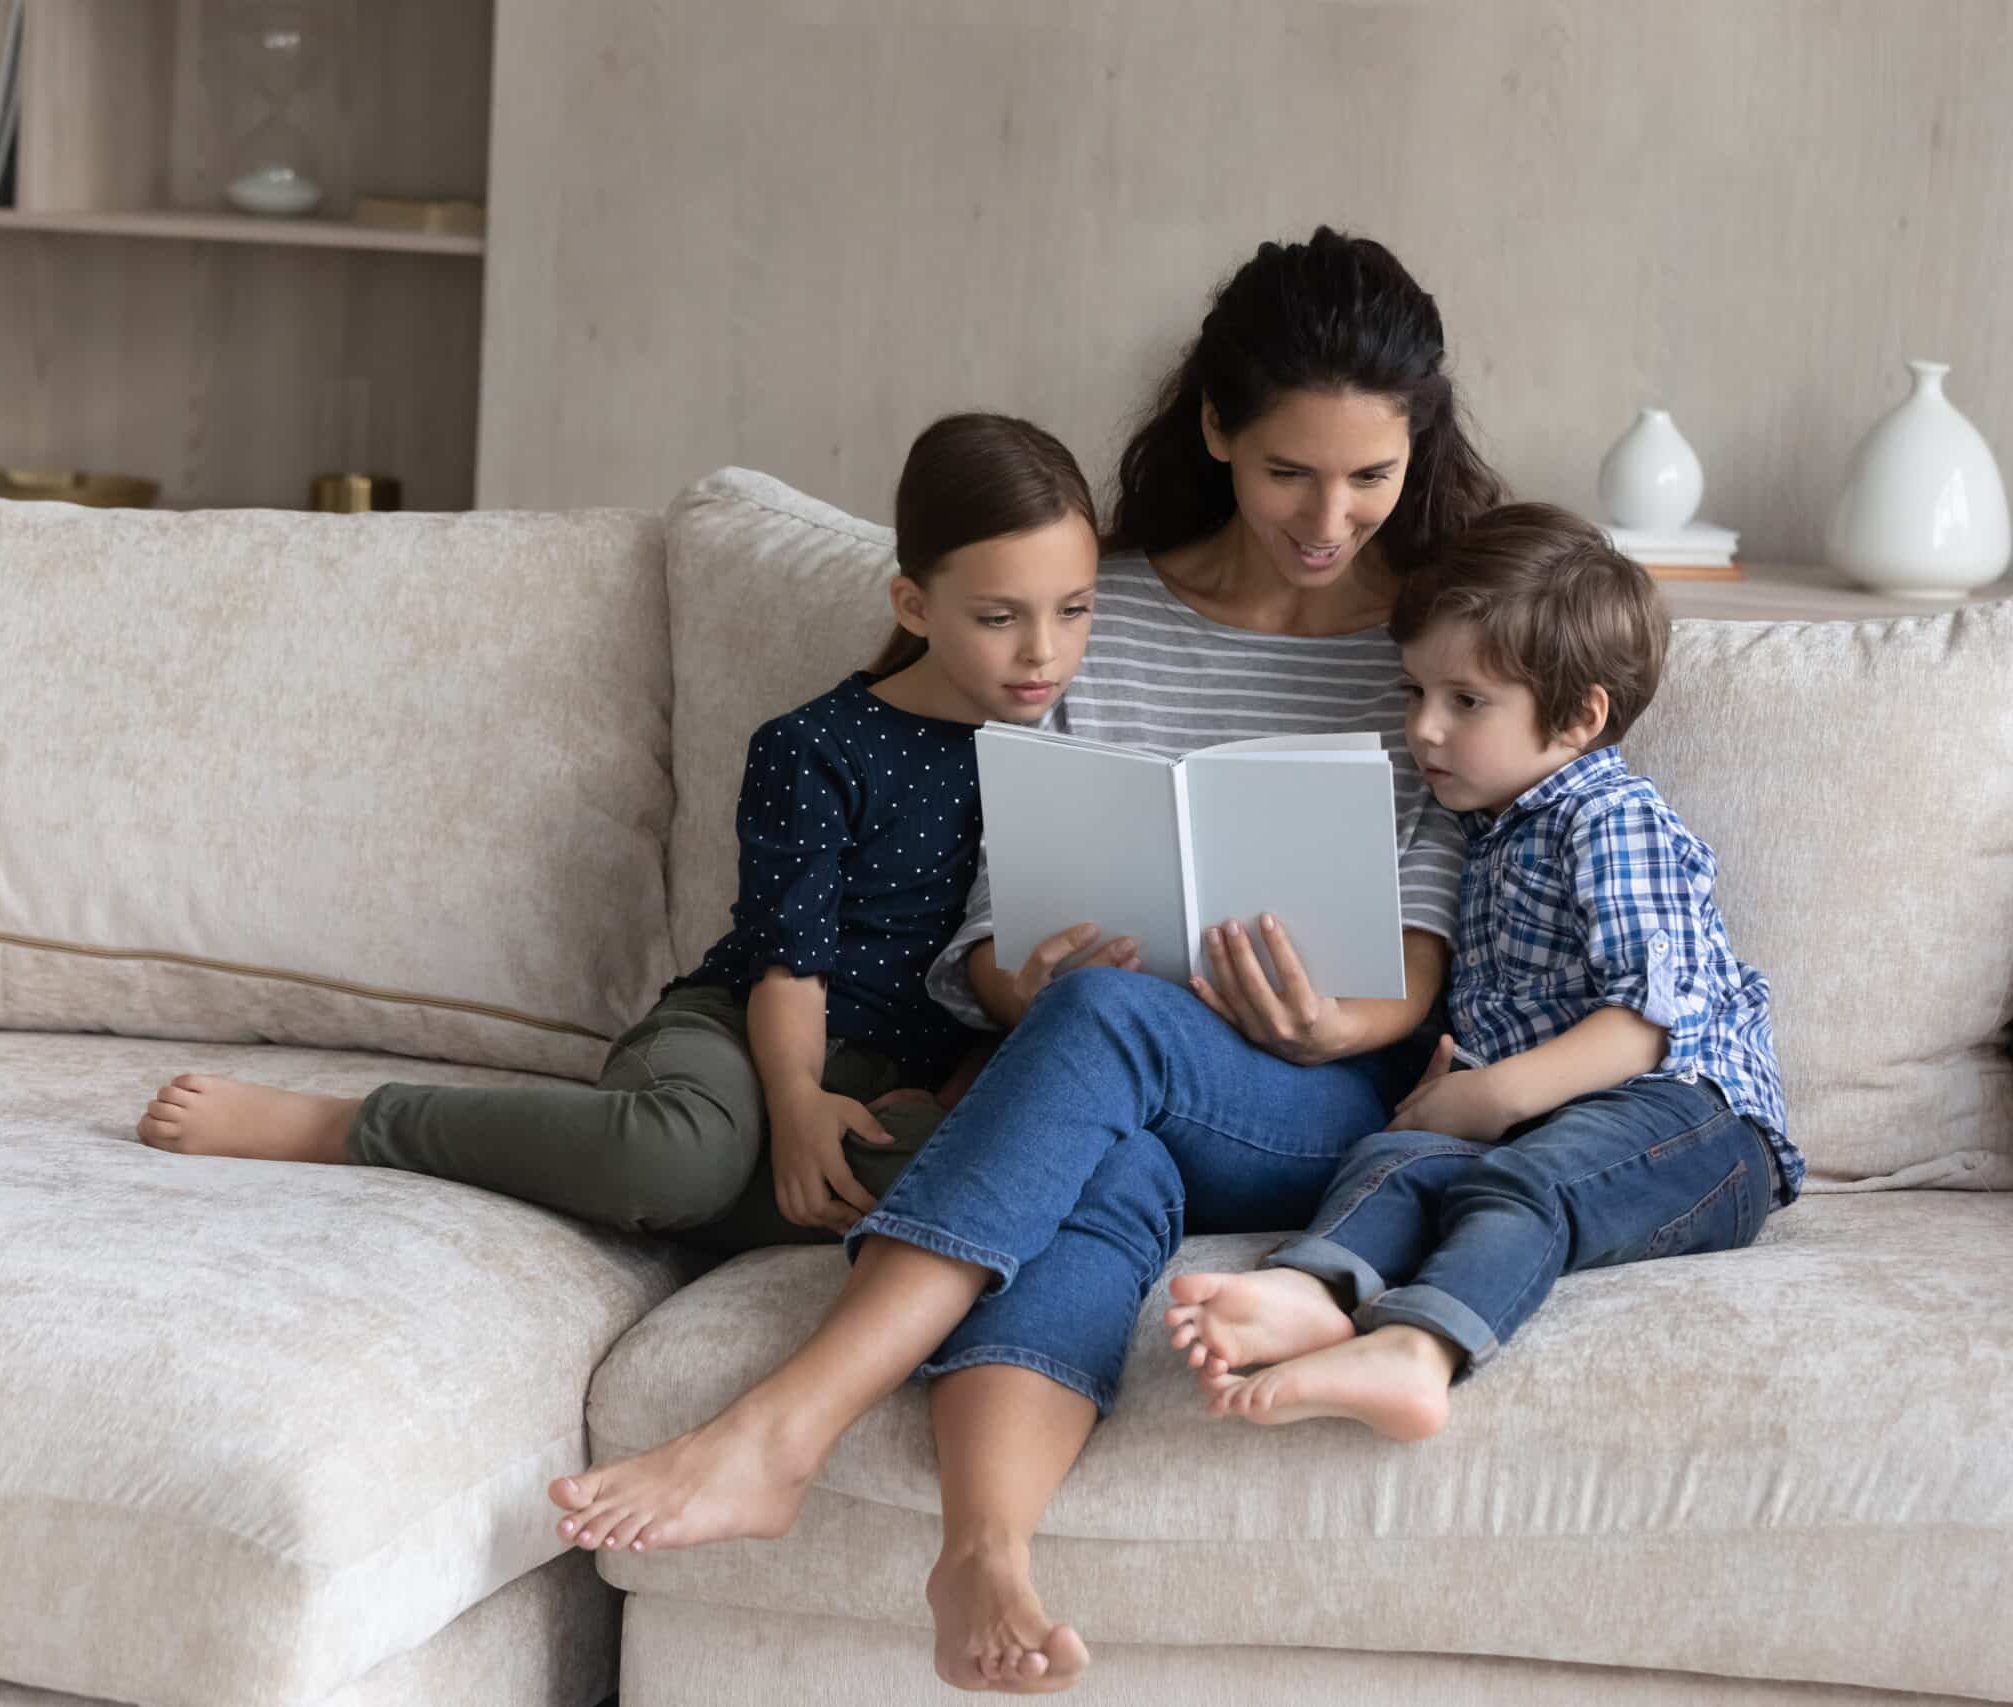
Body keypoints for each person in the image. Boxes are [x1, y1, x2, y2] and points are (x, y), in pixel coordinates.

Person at [546, 228, 1506, 1696]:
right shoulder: (1095, 605)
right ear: (1214, 432)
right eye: (1288, 472)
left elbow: (1420, 956)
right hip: (1108, 1060)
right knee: (1099, 1152)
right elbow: (988, 929)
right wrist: (1018, 976)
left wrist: (1331, 1019)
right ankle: (983, 1549)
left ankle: (784, 1425)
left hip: (1315, 1089)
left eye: (1370, 475)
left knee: (1114, 1031)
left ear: (1415, 449)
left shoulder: (1431, 632)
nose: (1330, 517)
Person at [132, 412, 1103, 1251]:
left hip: (903, 1084)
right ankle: (352, 1127)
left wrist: (941, 1102)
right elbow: (786, 967)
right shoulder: (818, 747)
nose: (1042, 652)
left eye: (1073, 612)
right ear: (914, 605)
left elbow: (1021, 975)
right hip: (736, 1039)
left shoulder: (1068, 759)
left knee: (987, 1186)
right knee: (679, 1151)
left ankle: (668, 1194)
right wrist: (799, 1105)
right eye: (998, 617)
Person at [1170, 503, 1801, 1440]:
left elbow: (1648, 1022)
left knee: (1521, 1183)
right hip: (1545, 1113)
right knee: (1397, 1159)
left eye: (1466, 701)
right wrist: (1455, 1090)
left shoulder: (1608, 817)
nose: (1423, 728)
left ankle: (1420, 1352)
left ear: (1582, 715)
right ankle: (1311, 1288)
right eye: (1414, 690)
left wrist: (1492, 1096)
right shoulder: (1481, 830)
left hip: (1694, 1122)